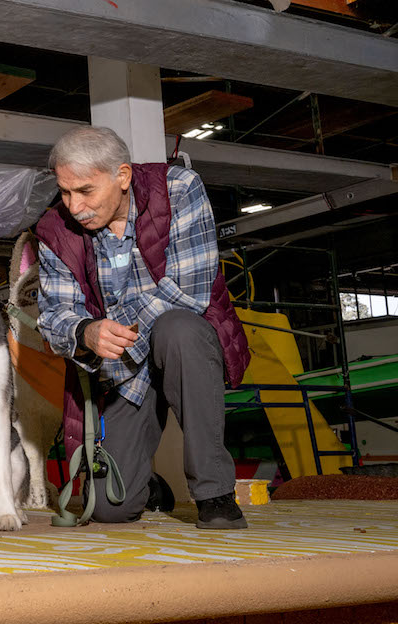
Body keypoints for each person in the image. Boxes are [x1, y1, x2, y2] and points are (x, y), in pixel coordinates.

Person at [34, 125, 250, 529]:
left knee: (178, 329)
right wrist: (85, 332)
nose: (73, 206)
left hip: (182, 347)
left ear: (123, 176)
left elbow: (190, 289)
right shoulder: (55, 231)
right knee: (108, 510)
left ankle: (215, 493)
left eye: (84, 191)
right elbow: (54, 316)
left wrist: (117, 330)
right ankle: (146, 485)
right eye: (64, 192)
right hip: (124, 374)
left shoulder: (180, 189)